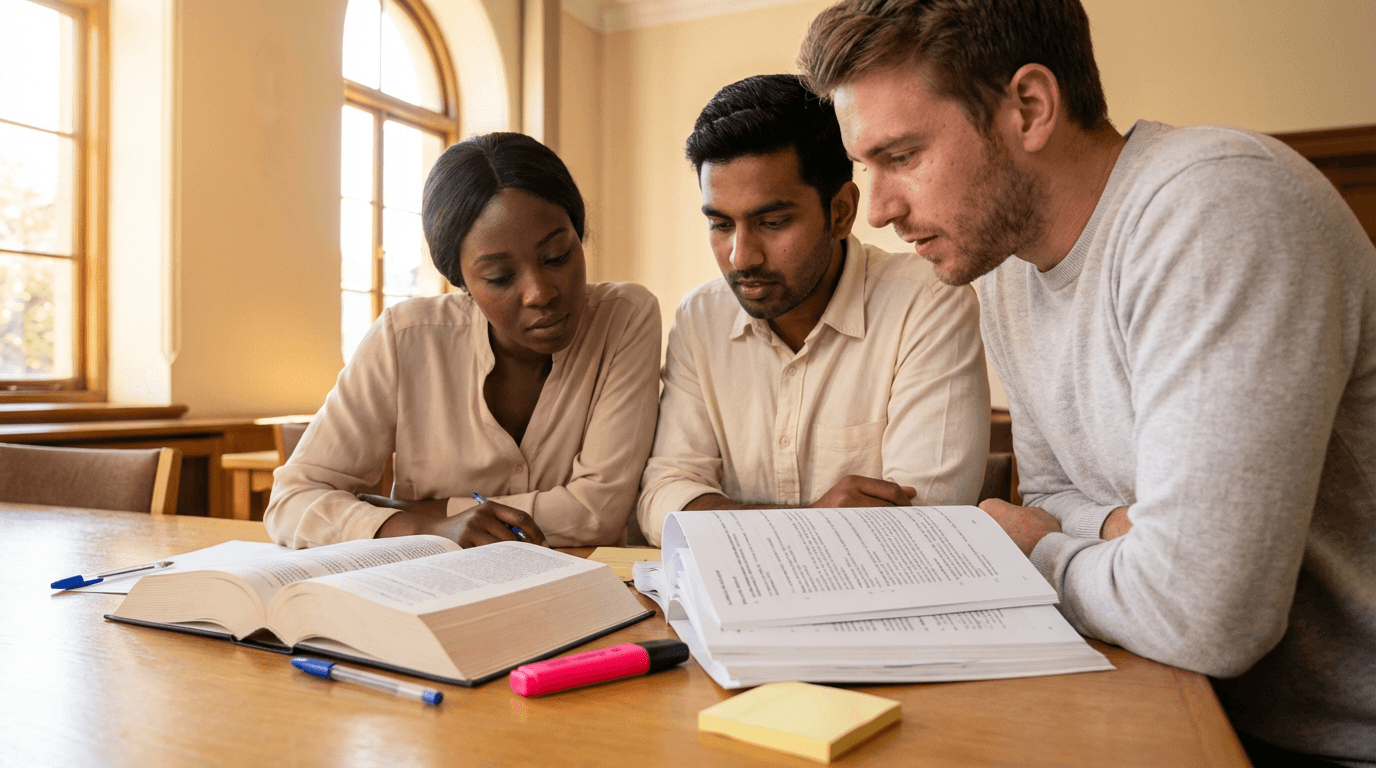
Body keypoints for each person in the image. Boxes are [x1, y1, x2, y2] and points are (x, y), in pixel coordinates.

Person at [798, 1, 1376, 766]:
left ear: (1029, 107)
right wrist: (1124, 535)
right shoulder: (1006, 274)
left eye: (900, 156)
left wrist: (1036, 550)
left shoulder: (1215, 211)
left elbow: (1205, 615)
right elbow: (1051, 496)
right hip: (1177, 694)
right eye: (863, 167)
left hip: (1336, 737)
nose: (875, 211)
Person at [636, 73, 990, 546]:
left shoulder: (928, 303)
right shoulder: (701, 319)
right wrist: (813, 519)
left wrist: (731, 523)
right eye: (721, 224)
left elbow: (923, 523)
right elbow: (662, 499)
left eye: (774, 222)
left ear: (840, 212)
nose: (741, 257)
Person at [265, 132, 661, 550]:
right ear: (461, 282)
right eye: (500, 277)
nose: (540, 293)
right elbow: (291, 501)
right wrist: (423, 530)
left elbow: (598, 513)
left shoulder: (625, 318)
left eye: (557, 257)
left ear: (578, 237)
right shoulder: (406, 340)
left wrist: (424, 509)